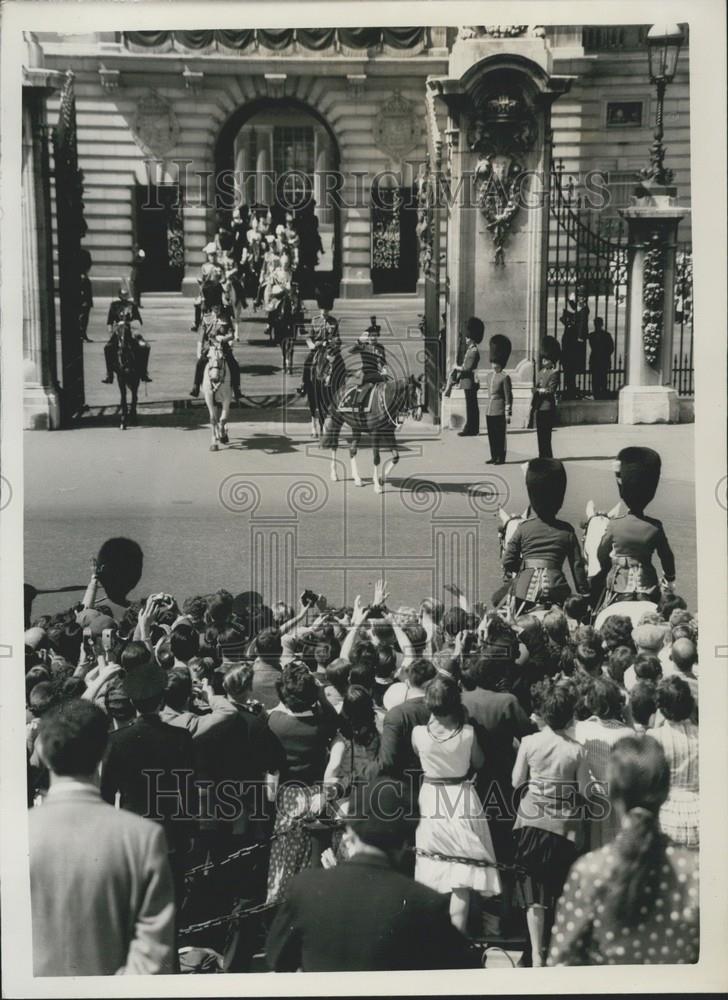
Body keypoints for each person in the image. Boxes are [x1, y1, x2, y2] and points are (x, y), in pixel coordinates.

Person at [265, 777, 478, 971]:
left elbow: (278, 961)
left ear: (349, 833)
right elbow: (462, 970)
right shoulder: (427, 904)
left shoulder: (305, 889)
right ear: (405, 842)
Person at [29, 700, 175, 975]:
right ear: (105, 752)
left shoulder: (15, 835)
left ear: (44, 755)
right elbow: (152, 957)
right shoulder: (144, 838)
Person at [549, 735, 699, 965]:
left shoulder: (590, 871)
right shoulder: (693, 871)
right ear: (666, 791)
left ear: (613, 793)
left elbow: (562, 962)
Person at [100, 644, 198, 907]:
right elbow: (188, 789)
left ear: (132, 702)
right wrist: (190, 829)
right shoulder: (180, 738)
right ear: (161, 700)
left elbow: (106, 795)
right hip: (170, 831)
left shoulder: (116, 741)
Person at [412, 675, 501, 932]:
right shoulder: (468, 733)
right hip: (461, 797)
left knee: (431, 867)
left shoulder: (418, 734)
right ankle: (458, 938)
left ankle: (432, 935)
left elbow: (421, 753)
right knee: (461, 875)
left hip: (430, 798)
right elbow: (480, 763)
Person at [511, 678, 589, 967]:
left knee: (534, 891)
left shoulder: (531, 742)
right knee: (558, 888)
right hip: (563, 827)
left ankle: (535, 952)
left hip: (530, 821)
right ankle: (557, 947)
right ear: (569, 715)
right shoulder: (576, 750)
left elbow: (516, 781)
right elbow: (581, 791)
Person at [265, 662, 336, 902]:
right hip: (315, 794)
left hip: (286, 795)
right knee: (309, 857)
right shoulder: (321, 723)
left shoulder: (274, 721)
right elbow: (333, 719)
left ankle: (276, 901)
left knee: (283, 857)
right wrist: (320, 695)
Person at [502, 458, 589, 612]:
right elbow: (577, 566)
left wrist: (524, 570)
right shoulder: (566, 530)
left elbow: (508, 560)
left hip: (524, 590)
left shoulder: (524, 527)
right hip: (557, 589)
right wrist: (584, 593)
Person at [597, 447, 676, 605]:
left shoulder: (614, 524)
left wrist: (607, 569)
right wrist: (669, 578)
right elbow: (667, 557)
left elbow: (602, 553)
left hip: (619, 585)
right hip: (648, 585)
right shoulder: (655, 527)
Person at [573, 678, 634, 848]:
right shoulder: (627, 733)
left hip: (593, 799)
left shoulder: (581, 729)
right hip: (618, 799)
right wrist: (629, 716)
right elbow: (638, 749)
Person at [648, 676, 699, 848]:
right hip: (701, 814)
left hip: (666, 816)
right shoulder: (703, 735)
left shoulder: (655, 737)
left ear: (661, 707)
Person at [102, 285, 152, 384]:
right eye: (122, 295)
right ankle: (109, 374)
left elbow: (139, 320)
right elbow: (109, 322)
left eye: (125, 295)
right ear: (119, 295)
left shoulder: (132, 305)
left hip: (131, 331)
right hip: (119, 331)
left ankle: (143, 372)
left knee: (145, 347)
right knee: (107, 348)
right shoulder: (114, 305)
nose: (124, 297)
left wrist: (131, 324)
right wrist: (111, 332)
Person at [298, 287, 340, 397]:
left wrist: (332, 343)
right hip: (318, 348)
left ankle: (341, 384)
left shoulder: (334, 321)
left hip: (330, 349)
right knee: (307, 362)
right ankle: (304, 384)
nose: (324, 312)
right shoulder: (315, 320)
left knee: (340, 364)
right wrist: (312, 344)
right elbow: (310, 336)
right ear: (320, 308)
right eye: (323, 309)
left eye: (326, 310)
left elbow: (337, 338)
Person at [189, 313, 242, 400]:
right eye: (214, 306)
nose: (216, 308)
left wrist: (222, 339)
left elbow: (231, 335)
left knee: (234, 365)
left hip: (224, 347)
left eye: (218, 306)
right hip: (209, 347)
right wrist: (199, 351)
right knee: (199, 364)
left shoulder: (226, 318)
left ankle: (237, 389)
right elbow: (201, 336)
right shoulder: (206, 318)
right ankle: (196, 387)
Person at [529, 336, 561, 458]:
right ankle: (542, 454)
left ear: (551, 360)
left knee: (546, 434)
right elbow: (537, 386)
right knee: (540, 433)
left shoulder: (554, 373)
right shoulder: (540, 372)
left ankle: (547, 455)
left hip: (547, 406)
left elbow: (551, 390)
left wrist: (538, 390)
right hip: (539, 406)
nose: (543, 360)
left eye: (546, 359)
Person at [452, 316, 484, 437]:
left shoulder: (473, 351)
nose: (465, 338)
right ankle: (471, 427)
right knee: (471, 405)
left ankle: (471, 428)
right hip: (468, 381)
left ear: (471, 338)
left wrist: (456, 367)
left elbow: (467, 368)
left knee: (471, 406)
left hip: (469, 381)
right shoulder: (471, 349)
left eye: (467, 337)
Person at [485, 333, 512, 463]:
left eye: (496, 362)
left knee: (500, 435)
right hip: (489, 409)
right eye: (493, 362)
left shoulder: (505, 377)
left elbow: (508, 396)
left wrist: (508, 413)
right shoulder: (489, 376)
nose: (494, 364)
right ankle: (493, 455)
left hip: (499, 409)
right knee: (491, 435)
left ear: (501, 363)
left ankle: (501, 457)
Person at [559, 294, 588, 399]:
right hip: (570, 352)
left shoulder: (583, 310)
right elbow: (577, 308)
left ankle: (571, 390)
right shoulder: (580, 309)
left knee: (570, 373)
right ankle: (570, 389)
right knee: (570, 373)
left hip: (571, 352)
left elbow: (580, 314)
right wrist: (571, 301)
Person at [191, 243, 225, 332]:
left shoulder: (220, 266)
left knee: (227, 304)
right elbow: (202, 280)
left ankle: (228, 323)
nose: (212, 257)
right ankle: (196, 322)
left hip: (217, 290)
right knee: (197, 303)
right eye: (210, 255)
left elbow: (224, 279)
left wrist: (222, 281)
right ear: (208, 256)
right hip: (207, 290)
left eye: (214, 255)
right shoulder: (205, 266)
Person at [588, 317, 614, 399]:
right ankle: (598, 396)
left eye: (598, 324)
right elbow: (611, 348)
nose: (597, 325)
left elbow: (611, 348)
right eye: (596, 324)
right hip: (599, 360)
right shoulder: (604, 335)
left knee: (602, 380)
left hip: (601, 360)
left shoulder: (592, 336)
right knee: (597, 380)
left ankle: (601, 395)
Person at [79, 253, 93, 343]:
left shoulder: (83, 276)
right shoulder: (82, 277)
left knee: (84, 318)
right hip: (84, 300)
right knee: (82, 318)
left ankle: (83, 334)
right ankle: (81, 334)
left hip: (86, 300)